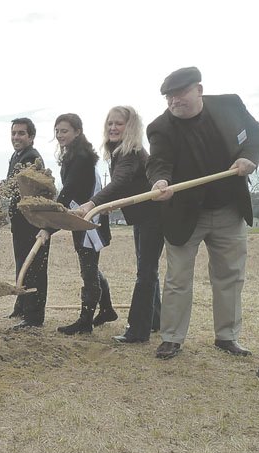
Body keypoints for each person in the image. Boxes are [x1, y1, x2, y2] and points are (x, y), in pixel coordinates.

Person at [146, 67, 259, 359]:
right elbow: (158, 162)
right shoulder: (160, 127)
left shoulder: (230, 105)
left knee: (230, 275)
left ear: (198, 90)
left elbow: (258, 135)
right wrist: (160, 182)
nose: (175, 101)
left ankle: (227, 336)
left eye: (180, 94)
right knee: (178, 278)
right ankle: (172, 338)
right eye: (169, 97)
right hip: (185, 212)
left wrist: (248, 157)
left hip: (229, 208)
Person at [76, 106, 163, 343]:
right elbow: (126, 185)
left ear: (131, 127)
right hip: (144, 217)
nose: (113, 128)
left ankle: (138, 330)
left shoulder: (130, 151)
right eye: (110, 123)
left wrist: (93, 203)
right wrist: (111, 203)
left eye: (119, 124)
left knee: (145, 273)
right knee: (148, 271)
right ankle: (155, 320)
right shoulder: (120, 151)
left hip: (153, 217)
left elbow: (121, 181)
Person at [54, 113, 114, 335]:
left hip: (90, 218)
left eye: (65, 130)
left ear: (77, 131)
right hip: (79, 216)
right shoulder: (73, 154)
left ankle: (85, 321)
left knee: (88, 270)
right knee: (90, 266)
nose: (60, 135)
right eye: (57, 131)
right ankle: (107, 309)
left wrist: (53, 216)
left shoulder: (81, 158)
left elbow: (69, 189)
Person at [3, 117, 50, 329]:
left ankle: (33, 317)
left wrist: (0, 184)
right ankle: (21, 305)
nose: (16, 137)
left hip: (32, 222)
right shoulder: (16, 155)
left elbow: (17, 186)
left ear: (31, 136)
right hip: (19, 222)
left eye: (21, 133)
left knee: (34, 269)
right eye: (14, 133)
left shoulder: (32, 158)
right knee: (22, 264)